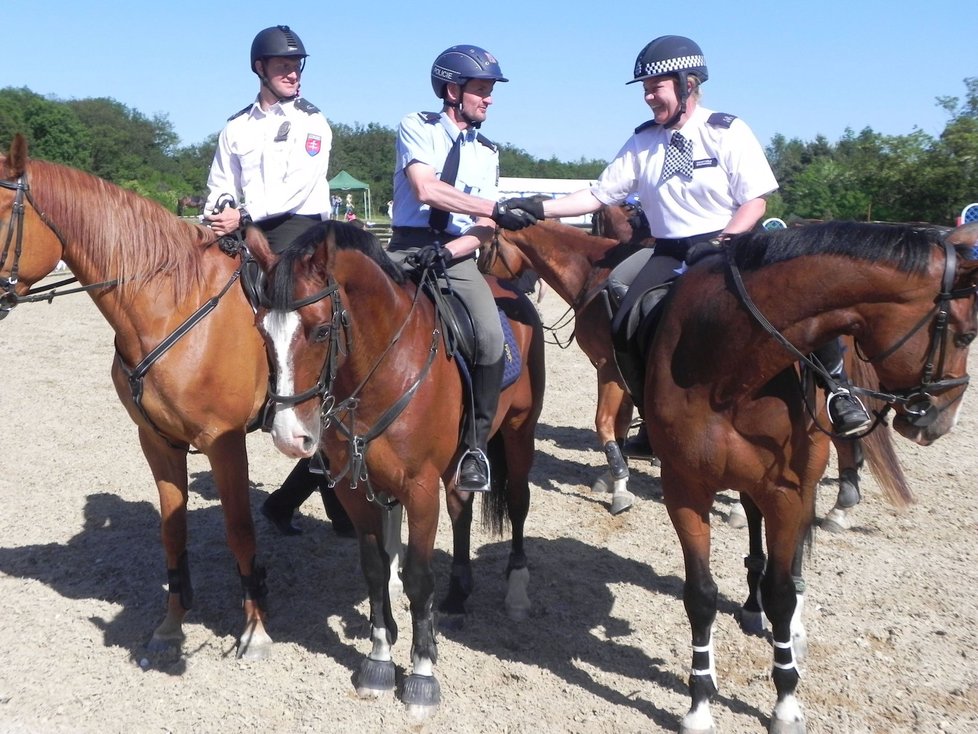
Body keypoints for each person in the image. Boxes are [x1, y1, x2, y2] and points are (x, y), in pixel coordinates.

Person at [497, 35, 872, 454]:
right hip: (669, 249)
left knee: (803, 292)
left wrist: (726, 237)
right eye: (645, 90)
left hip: (732, 243)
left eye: (654, 87)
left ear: (686, 84)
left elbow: (755, 200)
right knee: (623, 322)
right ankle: (654, 413)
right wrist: (538, 209)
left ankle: (839, 391)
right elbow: (598, 196)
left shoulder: (727, 131)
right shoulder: (642, 141)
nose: (648, 98)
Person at [202, 24, 346, 535]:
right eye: (284, 66)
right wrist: (223, 210)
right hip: (245, 235)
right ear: (259, 69)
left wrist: (243, 216)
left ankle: (292, 396)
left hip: (301, 240)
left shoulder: (314, 124)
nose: (294, 74)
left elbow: (297, 187)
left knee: (294, 322)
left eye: (298, 66)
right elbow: (220, 185)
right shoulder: (235, 127)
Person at [386, 44, 536, 493]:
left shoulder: (488, 151)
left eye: (490, 91)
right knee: (342, 314)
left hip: (456, 255)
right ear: (452, 90)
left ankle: (473, 446)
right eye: (481, 90)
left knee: (491, 337)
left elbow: (487, 226)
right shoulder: (418, 126)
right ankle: (328, 439)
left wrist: (455, 251)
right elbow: (426, 189)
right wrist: (494, 207)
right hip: (405, 249)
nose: (488, 99)